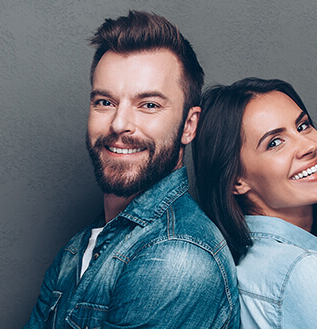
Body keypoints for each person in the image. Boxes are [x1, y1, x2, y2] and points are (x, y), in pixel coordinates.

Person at [24, 11, 239, 329]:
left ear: (188, 125)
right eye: (105, 102)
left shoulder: (178, 258)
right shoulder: (78, 250)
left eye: (149, 105)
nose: (119, 124)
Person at [192, 78, 317, 328]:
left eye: (302, 126)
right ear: (236, 180)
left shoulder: (255, 267)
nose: (309, 146)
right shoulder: (304, 273)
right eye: (275, 142)